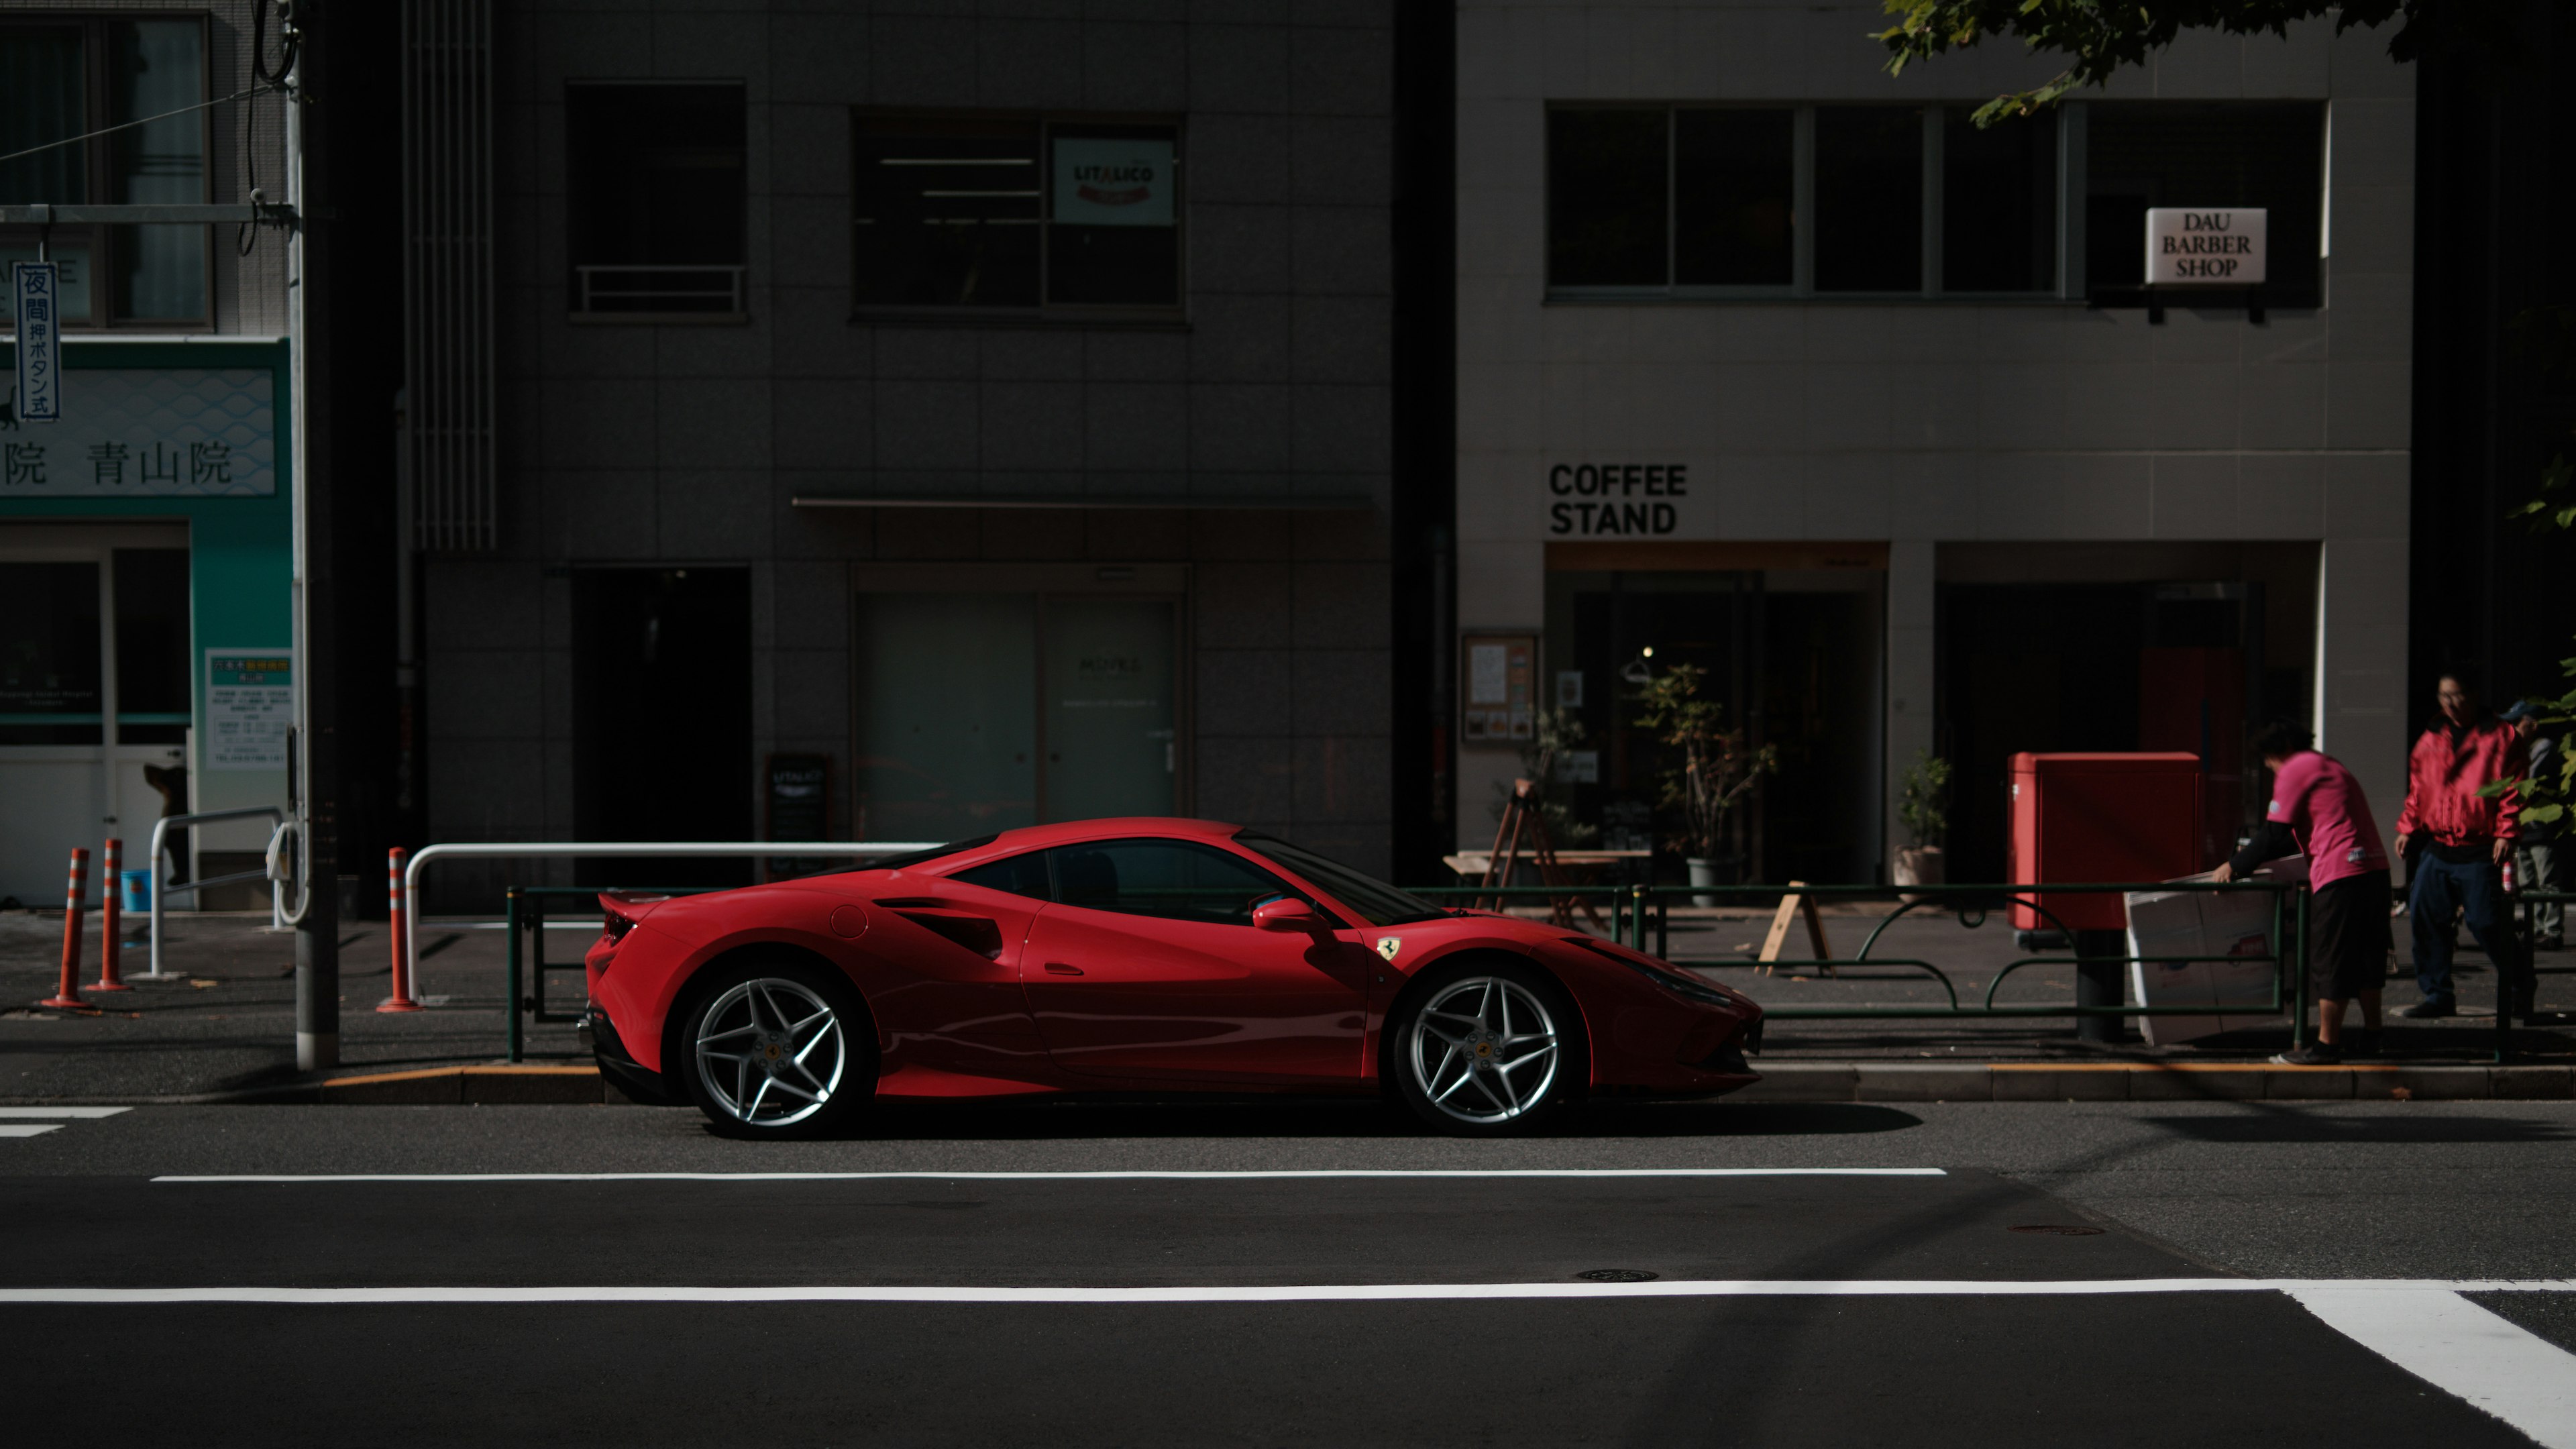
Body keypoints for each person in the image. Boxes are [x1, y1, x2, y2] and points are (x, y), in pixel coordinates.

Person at [2216, 720, 2392, 1065]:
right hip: (2375, 868)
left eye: (2267, 760)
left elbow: (2275, 833)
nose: (2268, 767)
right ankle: (2374, 1036)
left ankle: (2327, 1046)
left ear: (2277, 752)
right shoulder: (2331, 764)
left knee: (2332, 960)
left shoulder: (2296, 769)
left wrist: (2235, 866)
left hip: (2340, 873)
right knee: (2369, 958)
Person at [2393, 674, 2530, 1019]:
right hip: (2439, 845)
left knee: (2485, 922)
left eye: (2456, 696)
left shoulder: (2501, 735)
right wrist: (2409, 826)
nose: (2450, 704)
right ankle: (2438, 994)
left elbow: (2514, 787)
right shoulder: (2432, 736)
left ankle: (2520, 983)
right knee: (2426, 918)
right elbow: (2419, 786)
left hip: (2480, 846)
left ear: (2473, 695)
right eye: (2443, 697)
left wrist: (2506, 832)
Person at [2502, 699, 2564, 951]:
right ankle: (2536, 928)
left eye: (2518, 723)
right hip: (2523, 826)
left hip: (2541, 824)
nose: (2514, 729)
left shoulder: (2543, 747)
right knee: (2528, 882)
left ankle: (2552, 930)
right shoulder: (2523, 750)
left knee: (2547, 880)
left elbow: (2525, 780)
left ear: (2533, 725)